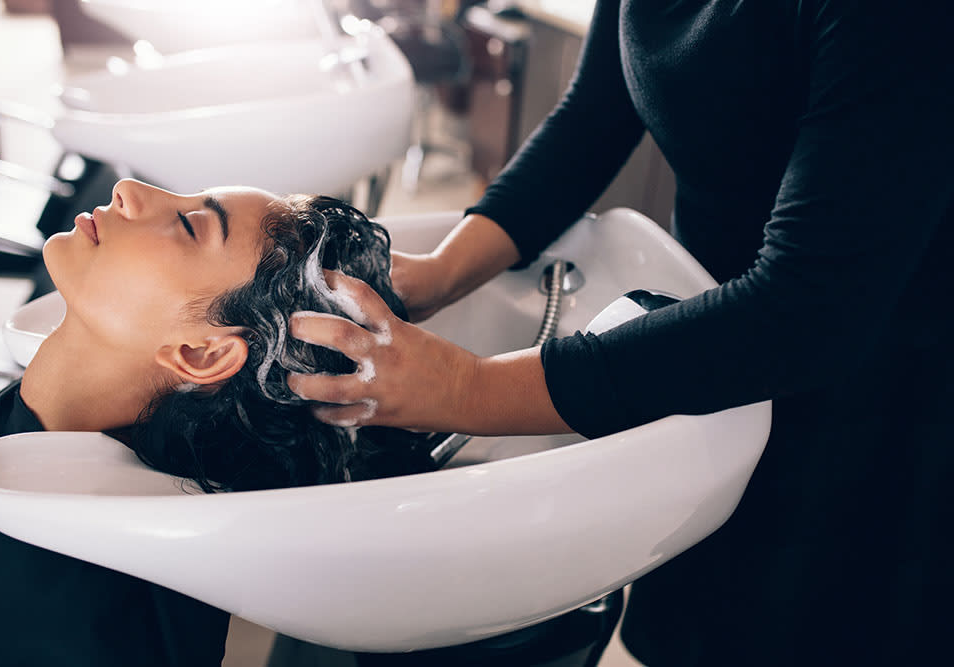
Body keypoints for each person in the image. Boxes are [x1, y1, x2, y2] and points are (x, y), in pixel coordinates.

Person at [285, 1, 953, 665]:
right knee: (692, 615)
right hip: (698, 345)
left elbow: (810, 312)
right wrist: (440, 273)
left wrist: (469, 386)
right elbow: (592, 119)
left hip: (873, 392)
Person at [0, 178, 432, 666]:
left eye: (189, 225)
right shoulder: (41, 433)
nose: (128, 189)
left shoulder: (78, 626)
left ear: (203, 354)